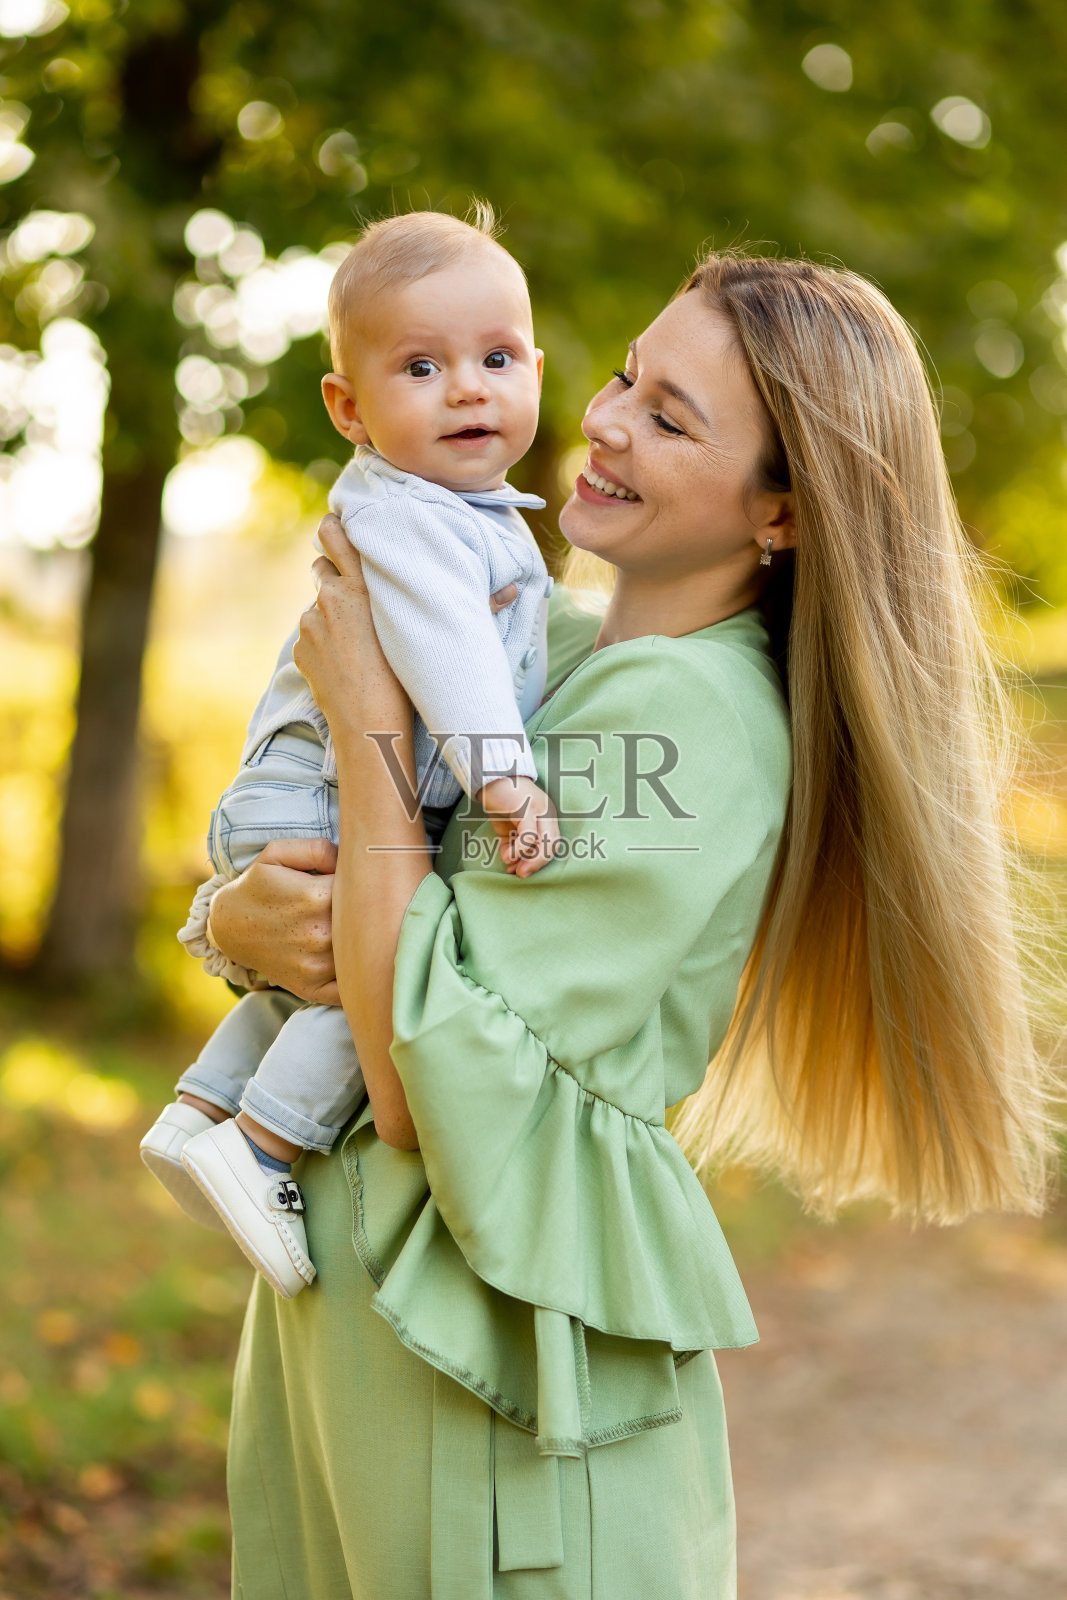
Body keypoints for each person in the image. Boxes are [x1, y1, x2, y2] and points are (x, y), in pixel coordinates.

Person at [202, 251, 1056, 1599]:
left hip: (482, 1364)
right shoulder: (556, 663)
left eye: (670, 418)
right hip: (347, 1318)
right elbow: (324, 908)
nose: (601, 421)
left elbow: (419, 1062)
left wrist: (369, 710)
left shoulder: (683, 718)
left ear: (778, 513)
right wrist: (233, 920)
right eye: (621, 378)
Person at [139, 209, 561, 1298]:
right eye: (421, 366)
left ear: (533, 368)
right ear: (349, 407)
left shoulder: (458, 507)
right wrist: (507, 782)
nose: (468, 387)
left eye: (496, 358)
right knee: (380, 967)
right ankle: (267, 1147)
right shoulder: (417, 515)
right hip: (321, 788)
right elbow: (448, 650)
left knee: (319, 969)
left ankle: (200, 1109)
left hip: (299, 786)